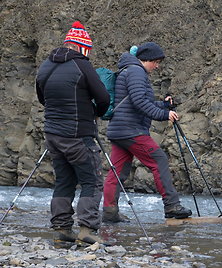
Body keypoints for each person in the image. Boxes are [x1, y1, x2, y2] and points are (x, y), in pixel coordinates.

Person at [35, 21, 110, 244]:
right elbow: (104, 97)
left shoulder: (46, 65)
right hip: (78, 135)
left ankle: (62, 228)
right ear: (80, 46)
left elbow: (42, 99)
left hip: (52, 134)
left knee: (64, 181)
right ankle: (87, 230)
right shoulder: (82, 64)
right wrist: (96, 112)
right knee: (91, 181)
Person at [102, 42, 192, 223]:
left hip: (119, 130)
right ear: (146, 59)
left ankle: (109, 213)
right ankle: (172, 206)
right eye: (156, 62)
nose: (157, 66)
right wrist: (164, 114)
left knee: (117, 171)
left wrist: (163, 105)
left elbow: (138, 100)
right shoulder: (136, 71)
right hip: (131, 130)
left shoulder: (128, 70)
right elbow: (139, 103)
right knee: (159, 160)